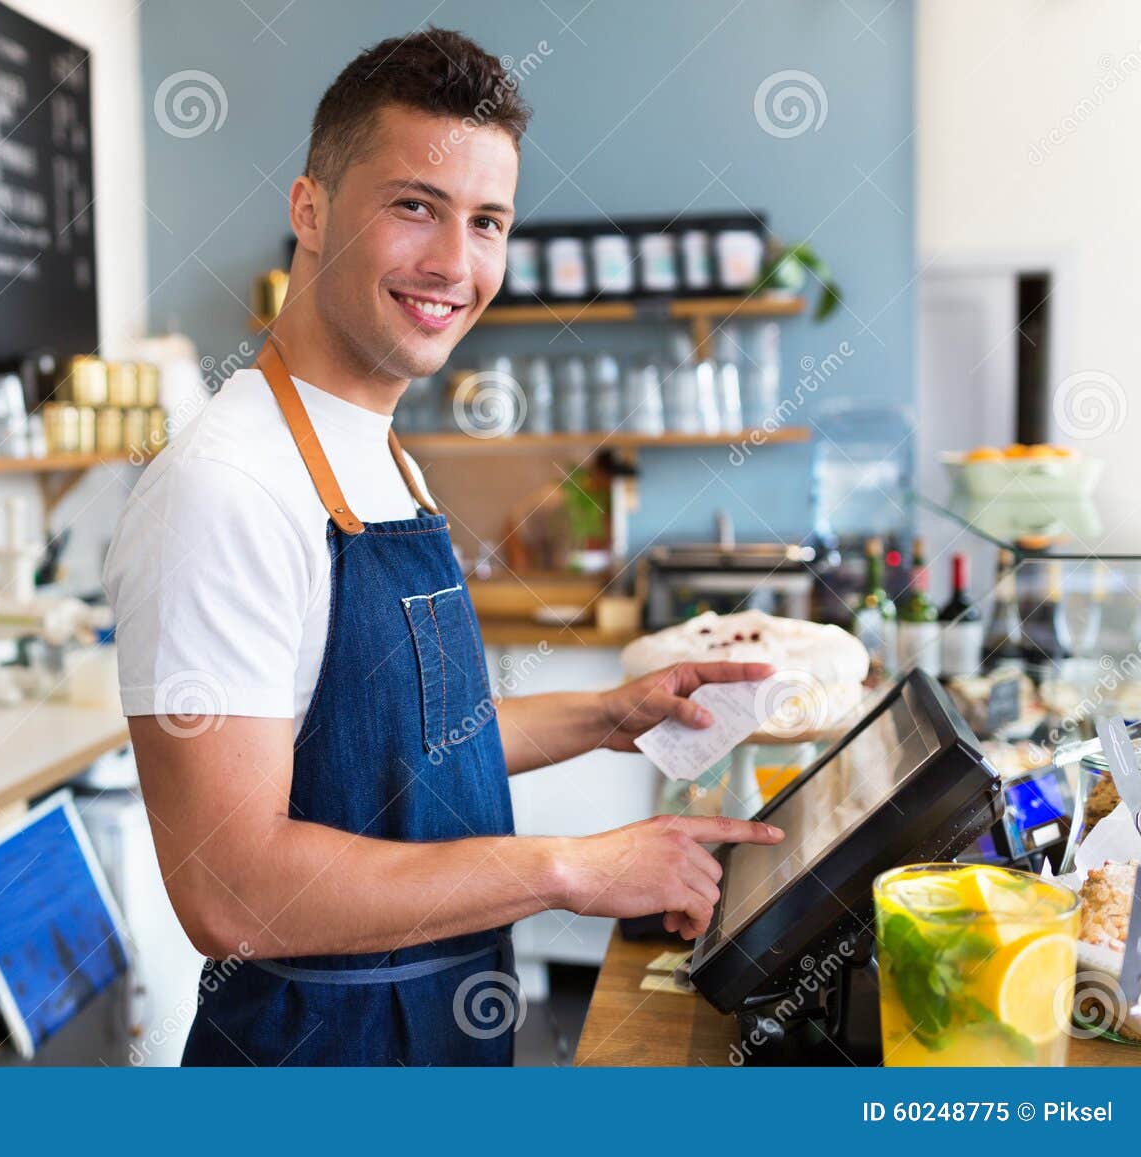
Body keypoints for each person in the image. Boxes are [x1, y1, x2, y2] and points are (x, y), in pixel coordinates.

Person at [104, 26, 783, 1067]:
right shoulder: (221, 488)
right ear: (311, 210)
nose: (453, 264)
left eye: (486, 222)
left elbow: (399, 745)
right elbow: (228, 888)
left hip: (443, 1029)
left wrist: (610, 715)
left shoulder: (385, 459)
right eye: (413, 205)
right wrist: (566, 868)